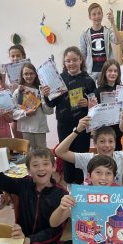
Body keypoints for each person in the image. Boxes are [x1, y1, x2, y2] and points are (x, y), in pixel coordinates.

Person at [44, 46, 96, 185]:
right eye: (68, 61)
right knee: (64, 154)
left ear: (80, 60)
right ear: (64, 63)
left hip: (83, 124)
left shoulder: (88, 80)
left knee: (80, 156)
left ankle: (80, 184)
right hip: (64, 124)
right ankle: (68, 186)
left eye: (74, 60)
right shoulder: (59, 79)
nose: (71, 63)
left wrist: (88, 103)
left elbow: (96, 105)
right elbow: (51, 104)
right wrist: (46, 95)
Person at [55, 116, 123, 186]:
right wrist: (77, 130)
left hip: (114, 201)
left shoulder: (121, 156)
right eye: (102, 141)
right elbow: (59, 152)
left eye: (110, 141)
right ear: (95, 144)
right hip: (91, 201)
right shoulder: (87, 158)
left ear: (115, 143)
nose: (107, 145)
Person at [13, 62, 53, 149]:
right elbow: (14, 113)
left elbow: (49, 111)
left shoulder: (42, 90)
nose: (29, 76)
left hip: (40, 127)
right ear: (22, 75)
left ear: (36, 74)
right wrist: (25, 113)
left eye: (31, 73)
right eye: (26, 74)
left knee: (42, 152)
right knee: (29, 154)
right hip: (25, 128)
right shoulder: (18, 92)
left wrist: (43, 99)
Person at [79, 2, 122, 81]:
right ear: (89, 17)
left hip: (106, 71)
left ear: (102, 15)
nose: (97, 16)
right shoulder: (85, 34)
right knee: (92, 93)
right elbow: (82, 54)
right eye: (94, 14)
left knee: (105, 92)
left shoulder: (107, 31)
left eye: (99, 13)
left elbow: (118, 41)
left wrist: (113, 23)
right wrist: (82, 71)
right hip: (91, 71)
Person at [94, 58, 123, 150]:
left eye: (115, 71)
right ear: (104, 73)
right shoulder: (98, 92)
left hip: (119, 129)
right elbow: (95, 115)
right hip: (104, 130)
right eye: (110, 71)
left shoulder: (122, 90)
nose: (113, 73)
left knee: (118, 153)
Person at [8, 44, 27, 139]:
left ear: (23, 56)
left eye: (18, 55)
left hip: (29, 111)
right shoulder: (5, 74)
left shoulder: (30, 71)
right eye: (12, 56)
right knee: (19, 143)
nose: (15, 58)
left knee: (31, 143)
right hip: (15, 114)